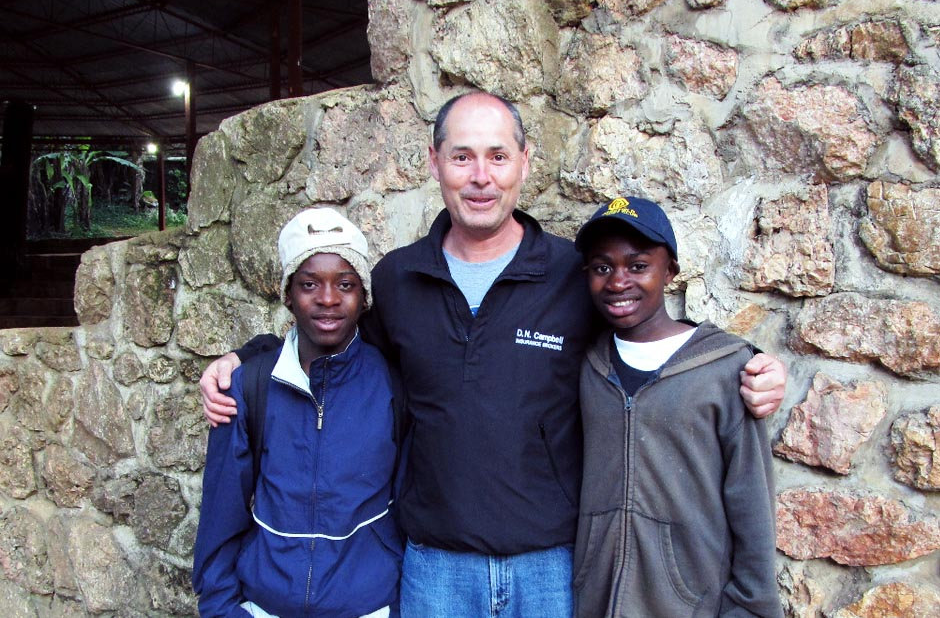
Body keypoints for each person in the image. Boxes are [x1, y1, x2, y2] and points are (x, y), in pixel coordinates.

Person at [199, 92, 787, 617]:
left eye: (498, 157)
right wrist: (246, 355)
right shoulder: (399, 279)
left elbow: (649, 336)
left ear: (524, 164)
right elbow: (332, 341)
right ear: (435, 164)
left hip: (550, 569)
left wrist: (749, 361)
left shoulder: (569, 274)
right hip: (435, 569)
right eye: (462, 157)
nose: (481, 176)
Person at [572, 197, 781, 617]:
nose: (617, 281)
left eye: (637, 266)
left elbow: (752, 501)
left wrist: (752, 607)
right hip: (595, 599)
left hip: (689, 605)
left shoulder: (725, 369)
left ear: (670, 271)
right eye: (601, 267)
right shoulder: (587, 365)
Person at [192, 208, 402, 618]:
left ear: (364, 298)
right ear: (287, 294)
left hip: (369, 606)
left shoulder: (392, 384)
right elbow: (221, 511)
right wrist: (221, 609)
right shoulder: (249, 385)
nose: (327, 298)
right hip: (264, 607)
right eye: (309, 284)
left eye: (345, 284)